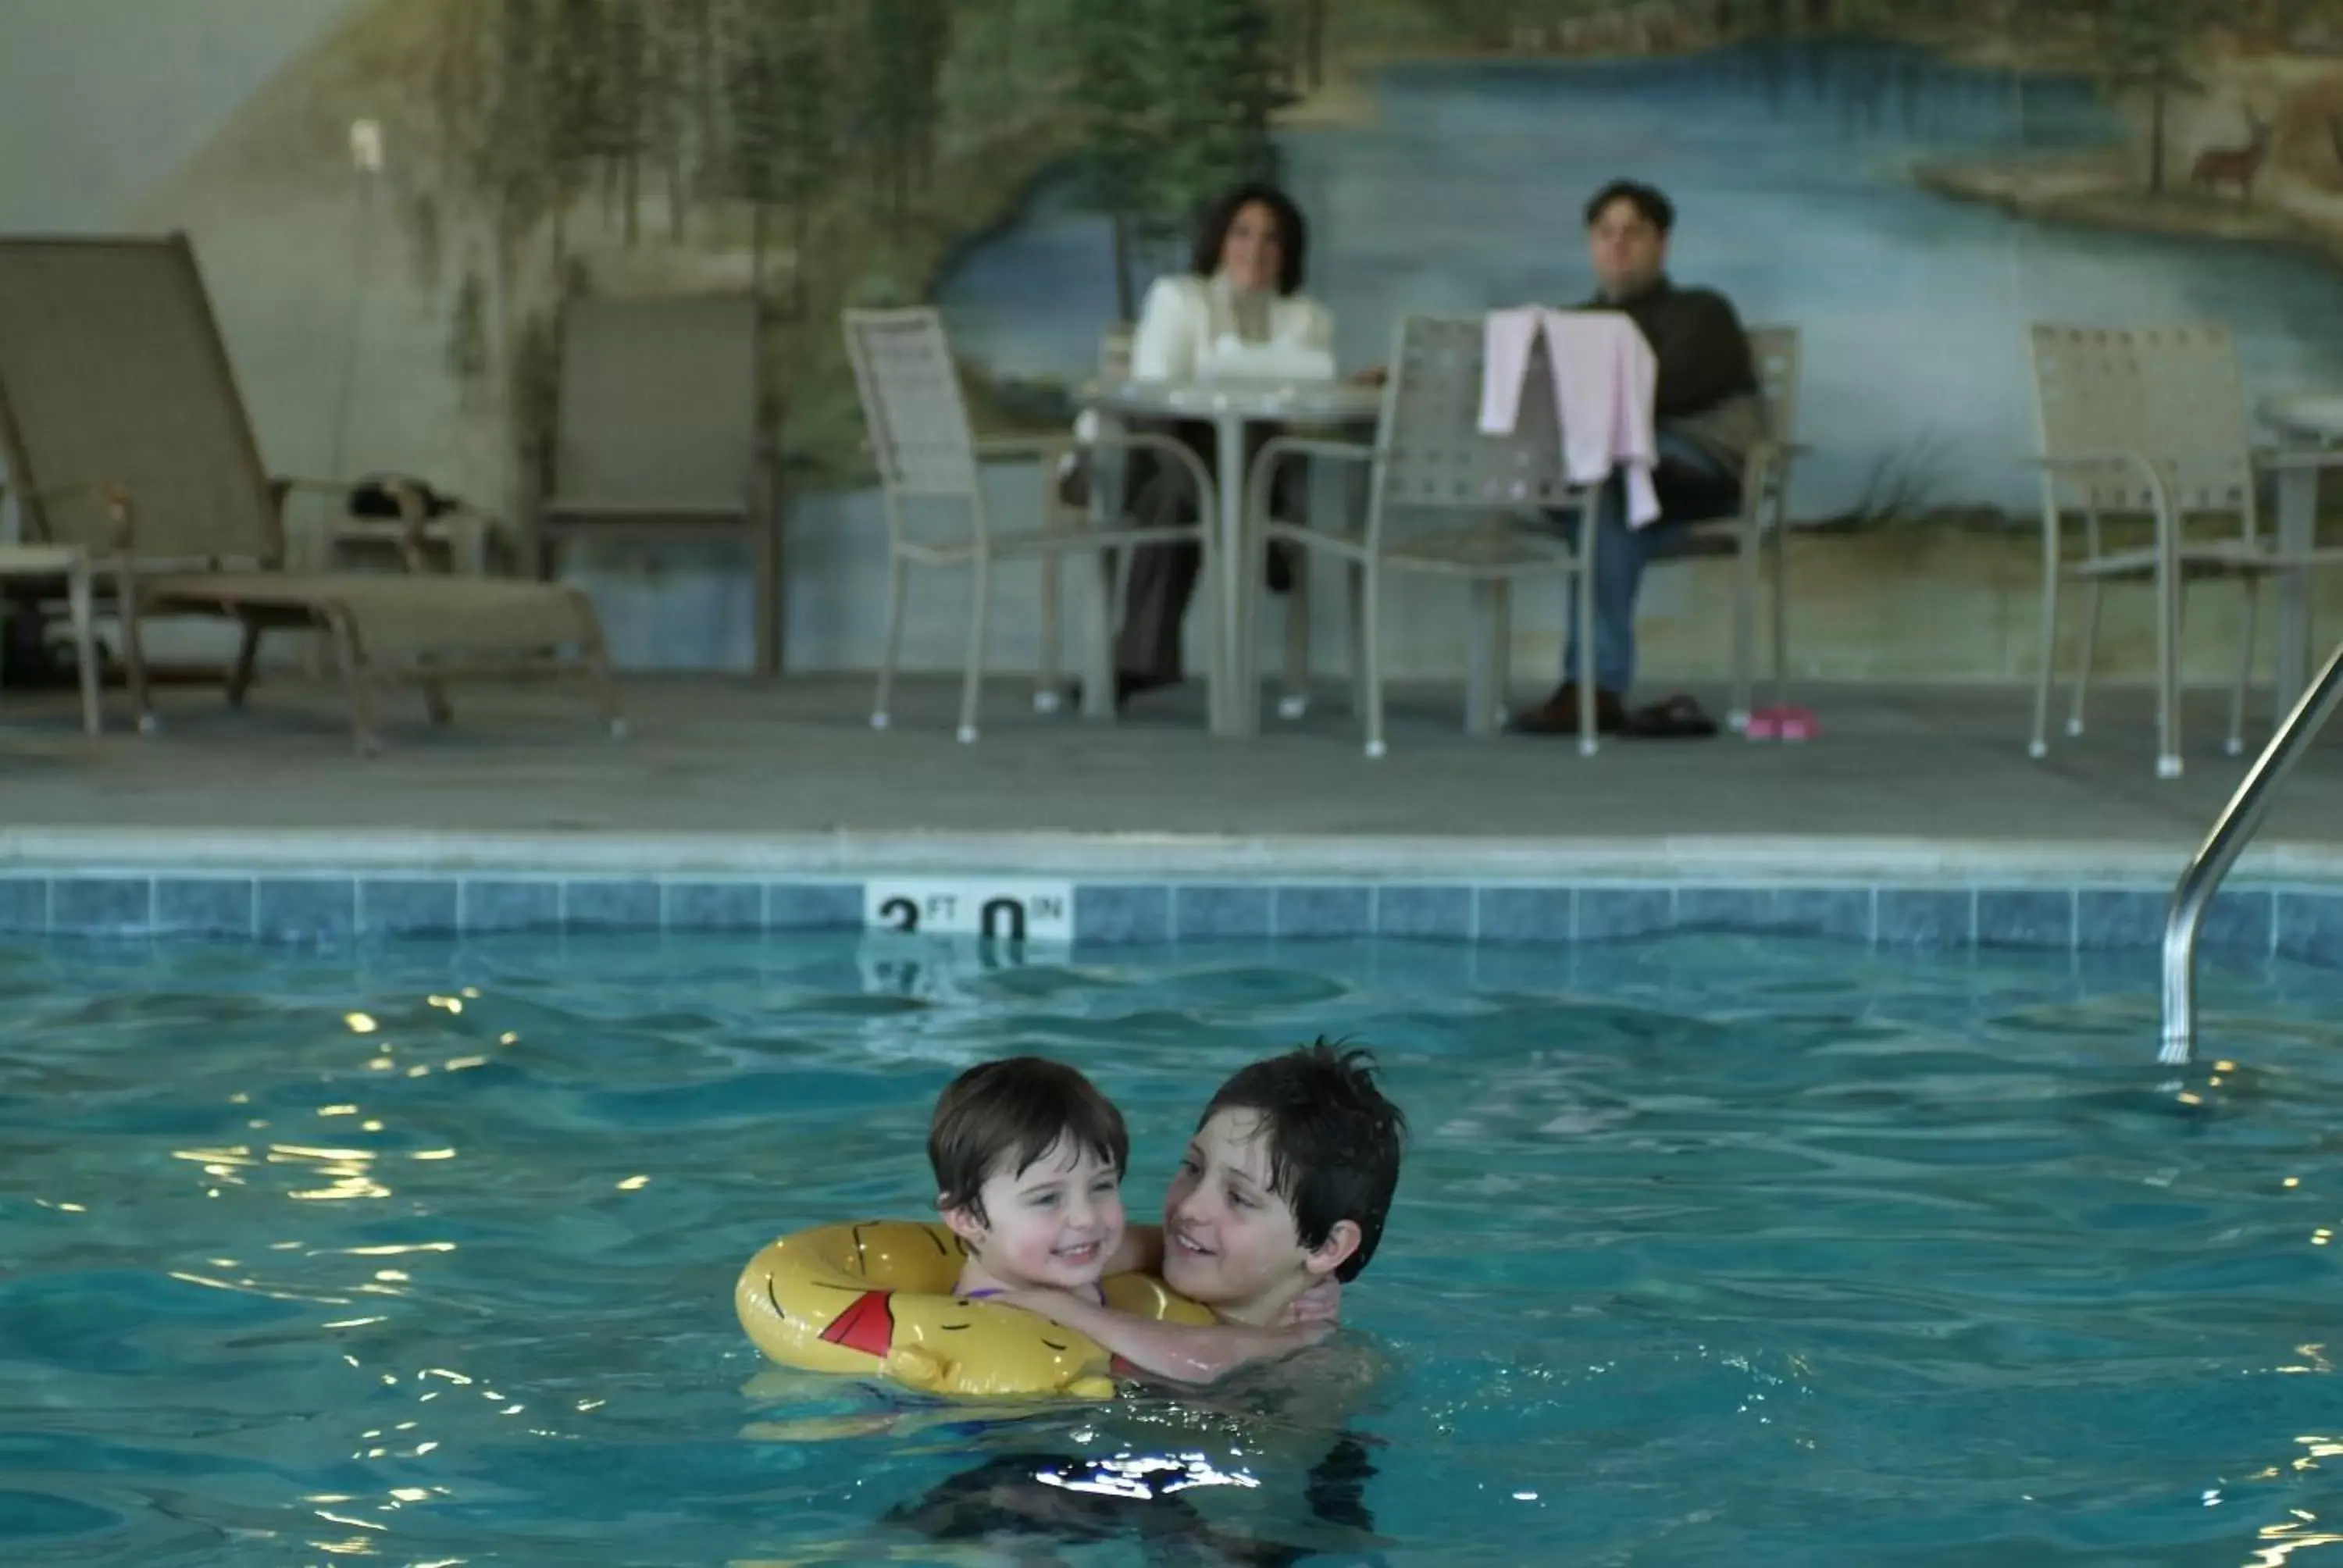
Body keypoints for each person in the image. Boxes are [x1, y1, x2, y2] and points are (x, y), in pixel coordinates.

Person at [1510, 178, 1767, 741]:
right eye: (1606, 233)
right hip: (1610, 483)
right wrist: (1409, 374)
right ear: (1591, 245)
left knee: (1607, 479)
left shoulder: (1702, 311)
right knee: (1603, 502)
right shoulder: (1570, 323)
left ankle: (1592, 687)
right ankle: (1593, 692)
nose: (1618, 244)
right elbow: (1520, 389)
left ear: (1662, 245)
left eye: (1634, 232)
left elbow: (1665, 390)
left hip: (1694, 471)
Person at [928, 1055, 1330, 1379]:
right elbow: (1198, 1360)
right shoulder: (1000, 1310)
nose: (1086, 1219)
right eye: (1047, 1199)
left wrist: (1296, 1274)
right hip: (1020, 1462)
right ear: (966, 1217)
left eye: (1101, 1186)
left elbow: (1151, 1245)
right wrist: (1302, 1336)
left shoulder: (1043, 1262)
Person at [1101, 183, 1337, 711]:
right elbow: (1155, 391)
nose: (1256, 250)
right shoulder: (1179, 297)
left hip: (1233, 464)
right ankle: (1256, 523)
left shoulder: (1307, 317)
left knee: (1183, 489)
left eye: (1272, 239)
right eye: (1243, 234)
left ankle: (1137, 662)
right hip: (1146, 454)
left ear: (1289, 252)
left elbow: (1309, 413)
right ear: (1219, 240)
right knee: (1185, 450)